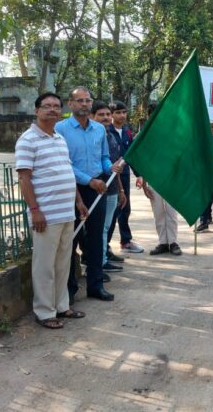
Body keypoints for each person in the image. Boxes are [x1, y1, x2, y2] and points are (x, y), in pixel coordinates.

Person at [17, 92, 88, 328]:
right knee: (44, 267)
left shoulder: (59, 138)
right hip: (45, 216)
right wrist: (34, 210)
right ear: (37, 110)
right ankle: (45, 312)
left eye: (56, 106)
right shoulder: (27, 140)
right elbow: (24, 179)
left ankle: (62, 306)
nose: (52, 110)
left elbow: (67, 172)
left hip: (66, 212)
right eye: (47, 106)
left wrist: (78, 201)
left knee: (62, 264)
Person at [55, 86, 121, 302]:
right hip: (72, 189)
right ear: (70, 104)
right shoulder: (60, 129)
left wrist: (110, 168)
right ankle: (69, 289)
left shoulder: (99, 129)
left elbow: (103, 157)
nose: (84, 104)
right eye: (80, 100)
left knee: (96, 238)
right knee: (71, 239)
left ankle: (95, 285)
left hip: (97, 188)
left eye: (87, 100)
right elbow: (63, 163)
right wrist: (88, 180)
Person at [136, 101, 182, 256]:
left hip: (172, 178)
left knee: (171, 212)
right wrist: (144, 184)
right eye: (152, 114)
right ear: (148, 116)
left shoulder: (173, 132)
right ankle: (163, 242)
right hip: (154, 178)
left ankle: (173, 242)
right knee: (158, 212)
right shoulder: (145, 135)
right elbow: (143, 161)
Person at [92, 101, 126, 277]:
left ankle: (103, 258)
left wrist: (121, 190)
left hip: (112, 189)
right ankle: (97, 263)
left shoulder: (111, 136)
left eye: (107, 114)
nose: (105, 118)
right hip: (97, 189)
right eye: (101, 115)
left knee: (106, 227)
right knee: (97, 229)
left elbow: (115, 167)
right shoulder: (92, 137)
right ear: (92, 116)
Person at [107, 101, 144, 257]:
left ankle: (126, 241)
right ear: (111, 114)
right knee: (111, 212)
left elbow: (131, 155)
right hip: (110, 176)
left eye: (124, 112)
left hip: (124, 174)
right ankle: (105, 246)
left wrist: (139, 174)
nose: (122, 115)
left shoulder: (127, 132)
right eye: (118, 112)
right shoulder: (106, 131)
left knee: (125, 208)